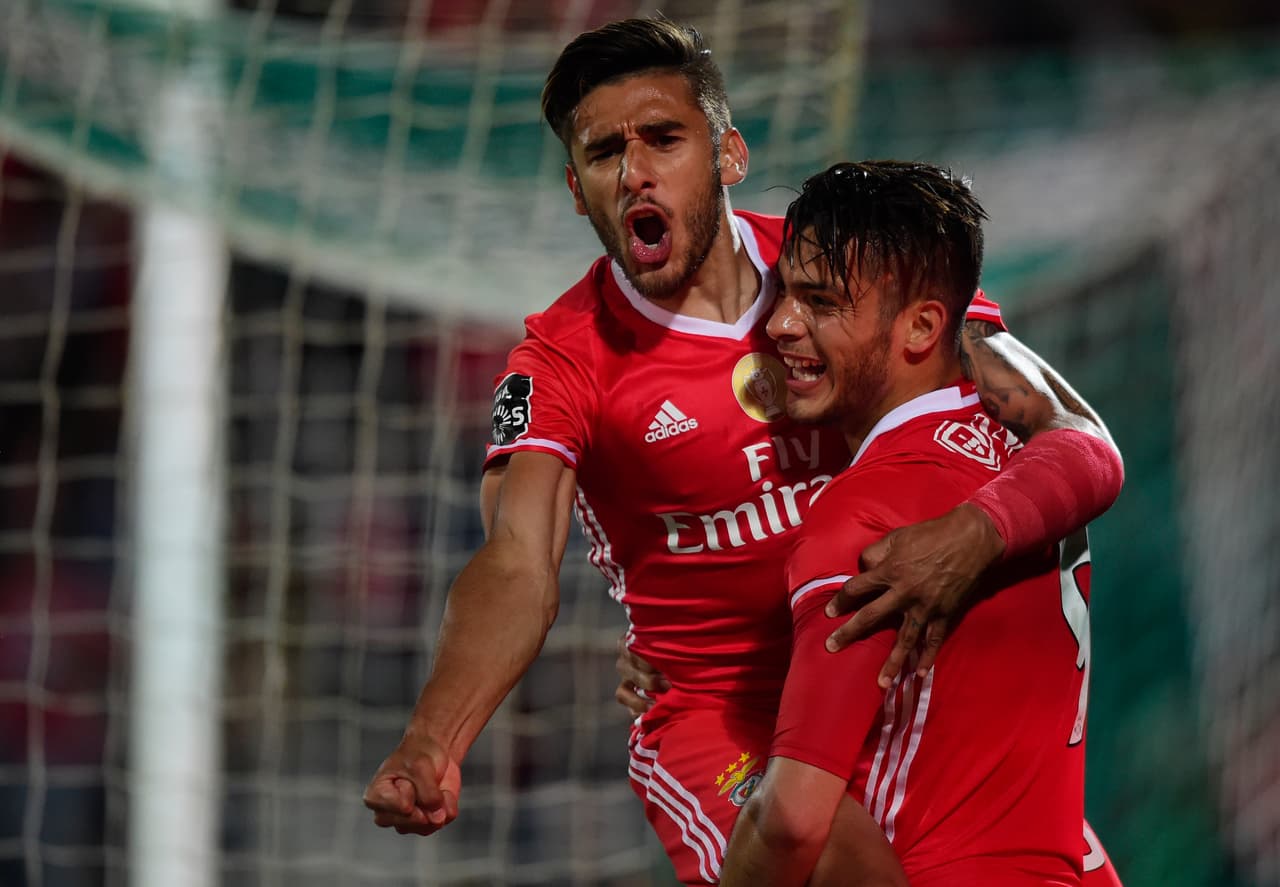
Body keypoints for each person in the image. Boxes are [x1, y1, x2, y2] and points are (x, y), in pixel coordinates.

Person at [363, 17, 1124, 884]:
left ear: (728, 154)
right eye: (605, 151)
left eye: (663, 138)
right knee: (834, 854)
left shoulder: (852, 272)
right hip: (727, 721)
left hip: (890, 691)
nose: (635, 169)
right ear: (579, 190)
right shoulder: (565, 360)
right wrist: (435, 740)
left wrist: (972, 535)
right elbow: (515, 564)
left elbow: (1078, 439)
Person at [718, 159, 1107, 886]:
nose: (780, 324)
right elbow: (1091, 447)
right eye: (785, 292)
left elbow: (797, 821)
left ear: (924, 325)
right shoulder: (1025, 449)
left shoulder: (864, 516)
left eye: (822, 301)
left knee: (761, 799)